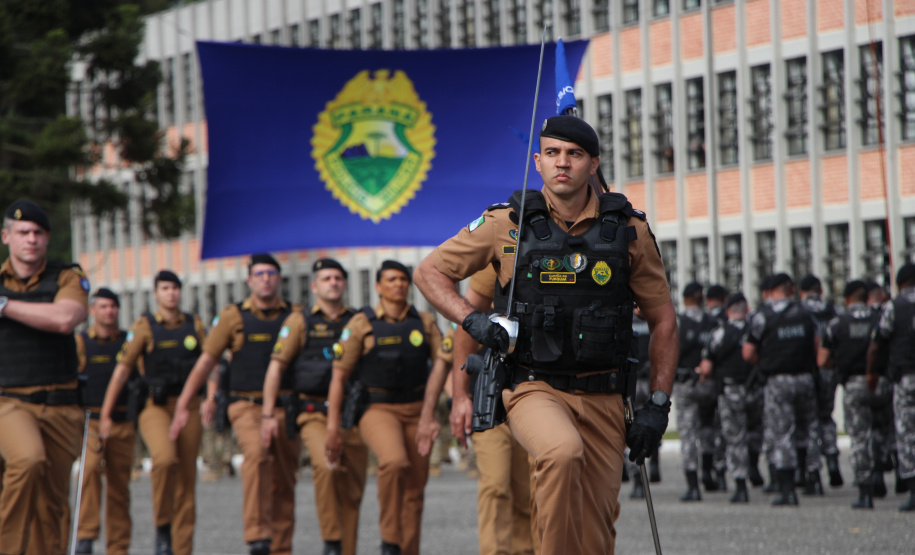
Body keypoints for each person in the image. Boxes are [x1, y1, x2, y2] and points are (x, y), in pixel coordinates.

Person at [413, 116, 677, 553]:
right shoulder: (505, 223)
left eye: (574, 154)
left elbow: (663, 319)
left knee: (596, 532)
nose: (563, 163)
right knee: (560, 452)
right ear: (537, 162)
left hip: (605, 393)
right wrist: (472, 320)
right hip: (533, 386)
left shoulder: (629, 231)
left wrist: (659, 404)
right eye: (553, 153)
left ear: (594, 163)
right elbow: (429, 272)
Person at [169, 254, 300, 555]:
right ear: (249, 280)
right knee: (255, 455)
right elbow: (206, 362)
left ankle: (280, 547)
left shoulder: (295, 315)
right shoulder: (233, 316)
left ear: (279, 278)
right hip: (246, 406)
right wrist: (186, 402)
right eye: (259, 274)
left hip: (286, 406)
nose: (265, 279)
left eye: (271, 273)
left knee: (284, 478)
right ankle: (257, 537)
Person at [325, 260, 442, 555]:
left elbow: (445, 366)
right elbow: (338, 377)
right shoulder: (361, 324)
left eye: (403, 279)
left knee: (415, 491)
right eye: (391, 279)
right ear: (378, 286)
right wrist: (332, 428)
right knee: (394, 462)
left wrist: (457, 402)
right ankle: (390, 540)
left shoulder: (425, 322)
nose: (399, 284)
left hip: (417, 410)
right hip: (378, 410)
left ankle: (408, 550)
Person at [261, 258, 368, 555]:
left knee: (353, 488)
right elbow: (275, 368)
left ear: (345, 283)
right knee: (327, 466)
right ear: (314, 286)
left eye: (337, 277)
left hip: (352, 412)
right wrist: (268, 414)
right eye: (326, 278)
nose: (333, 282)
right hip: (313, 412)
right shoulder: (300, 321)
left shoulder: (358, 320)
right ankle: (331, 542)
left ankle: (346, 549)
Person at [425, 267, 535, 555]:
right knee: (496, 485)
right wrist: (456, 399)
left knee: (529, 492)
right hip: (489, 404)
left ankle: (527, 550)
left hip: (530, 402)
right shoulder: (476, 311)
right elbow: (445, 363)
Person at [0, 200, 89, 555]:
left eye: (38, 233)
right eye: (22, 232)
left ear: (48, 238)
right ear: (6, 237)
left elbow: (65, 319)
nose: (31, 239)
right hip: (10, 401)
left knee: (52, 505)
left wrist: (5, 306)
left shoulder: (67, 276)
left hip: (61, 404)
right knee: (27, 459)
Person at [99, 270, 207, 555]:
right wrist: (106, 413)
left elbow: (210, 361)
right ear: (156, 293)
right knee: (164, 459)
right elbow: (122, 370)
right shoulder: (144, 326)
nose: (171, 293)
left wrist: (212, 398)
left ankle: (181, 548)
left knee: (187, 478)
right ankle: (162, 528)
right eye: (165, 288)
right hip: (155, 406)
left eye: (175, 288)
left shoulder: (194, 324)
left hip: (190, 405)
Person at [742, 273, 820, 507]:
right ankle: (811, 478)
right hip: (805, 378)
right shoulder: (806, 313)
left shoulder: (763, 316)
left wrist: (765, 362)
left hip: (778, 381)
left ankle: (788, 490)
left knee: (783, 432)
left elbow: (747, 352)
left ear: (771, 290)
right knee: (808, 429)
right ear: (789, 289)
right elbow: (818, 345)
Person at [75, 288, 135, 555]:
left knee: (119, 486)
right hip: (92, 421)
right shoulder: (81, 342)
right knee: (88, 474)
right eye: (103, 306)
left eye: (113, 306)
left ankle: (118, 545)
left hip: (123, 421)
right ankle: (86, 535)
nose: (109, 311)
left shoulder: (128, 342)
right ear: (92, 311)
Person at [819, 280, 889, 509]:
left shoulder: (837, 323)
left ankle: (865, 491)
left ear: (848, 299)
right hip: (880, 381)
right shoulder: (880, 318)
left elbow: (822, 359)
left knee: (860, 437)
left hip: (853, 385)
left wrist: (838, 366)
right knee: (883, 432)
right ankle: (883, 474)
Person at [867, 263, 915, 511]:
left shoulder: (894, 307)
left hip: (906, 377)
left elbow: (877, 344)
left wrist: (871, 373)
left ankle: (913, 491)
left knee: (907, 433)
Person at [698, 293, 755, 503]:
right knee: (764, 432)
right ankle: (771, 477)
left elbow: (706, 367)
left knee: (734, 437)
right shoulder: (755, 330)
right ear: (747, 310)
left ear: (728, 311)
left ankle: (740, 485)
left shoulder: (720, 334)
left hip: (730, 391)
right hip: (757, 389)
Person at [675, 281, 721, 500]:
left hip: (685, 383)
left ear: (685, 299)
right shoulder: (713, 322)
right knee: (707, 428)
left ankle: (693, 486)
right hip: (707, 382)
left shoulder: (679, 322)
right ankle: (709, 473)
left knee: (688, 433)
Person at [799, 274, 842, 489]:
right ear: (821, 291)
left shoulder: (799, 311)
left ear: (801, 292)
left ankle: (813, 471)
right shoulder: (834, 310)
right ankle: (833, 459)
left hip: (809, 371)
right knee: (827, 417)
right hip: (830, 370)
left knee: (810, 422)